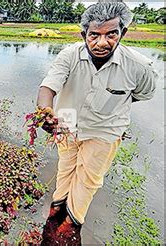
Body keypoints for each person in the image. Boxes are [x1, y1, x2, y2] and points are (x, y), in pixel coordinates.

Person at [36, 2, 158, 244]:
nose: (102, 43)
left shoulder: (139, 67)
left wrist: (113, 104)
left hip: (106, 127)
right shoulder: (69, 55)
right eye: (95, 35)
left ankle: (69, 228)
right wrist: (45, 112)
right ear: (84, 35)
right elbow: (48, 87)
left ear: (122, 33)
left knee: (88, 180)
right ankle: (54, 215)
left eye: (111, 34)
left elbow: (143, 94)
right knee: (65, 170)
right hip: (66, 121)